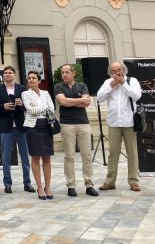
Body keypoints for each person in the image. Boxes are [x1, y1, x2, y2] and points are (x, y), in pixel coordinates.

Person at [96, 61, 142, 192]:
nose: (117, 73)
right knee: (113, 153)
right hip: (114, 122)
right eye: (114, 71)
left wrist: (123, 84)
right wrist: (111, 86)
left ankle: (134, 181)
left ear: (124, 70)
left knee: (132, 152)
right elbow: (99, 98)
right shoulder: (107, 82)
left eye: (119, 70)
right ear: (111, 72)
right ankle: (110, 181)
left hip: (129, 122)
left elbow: (137, 96)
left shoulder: (132, 81)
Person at [54, 64, 98, 197]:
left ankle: (89, 184)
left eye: (67, 72)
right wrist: (80, 100)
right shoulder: (58, 87)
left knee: (87, 155)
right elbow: (63, 102)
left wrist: (70, 101)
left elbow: (88, 103)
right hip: (67, 124)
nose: (64, 74)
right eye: (62, 72)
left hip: (83, 123)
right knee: (69, 156)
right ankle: (71, 185)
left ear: (74, 74)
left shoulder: (82, 85)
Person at [0, 65, 35, 194]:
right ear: (3, 76)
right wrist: (3, 106)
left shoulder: (22, 89)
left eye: (10, 72)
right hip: (6, 127)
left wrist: (22, 105)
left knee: (25, 157)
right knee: (6, 157)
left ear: (14, 75)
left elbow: (29, 107)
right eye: (5, 73)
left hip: (21, 126)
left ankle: (27, 183)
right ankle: (7, 184)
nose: (7, 74)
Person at [21, 70, 55, 200]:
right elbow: (30, 110)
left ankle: (48, 187)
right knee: (35, 157)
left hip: (46, 125)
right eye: (29, 78)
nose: (31, 80)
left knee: (47, 157)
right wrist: (44, 107)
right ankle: (39, 187)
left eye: (33, 78)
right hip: (32, 126)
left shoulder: (46, 93)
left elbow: (52, 109)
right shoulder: (25, 94)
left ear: (39, 81)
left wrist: (41, 107)